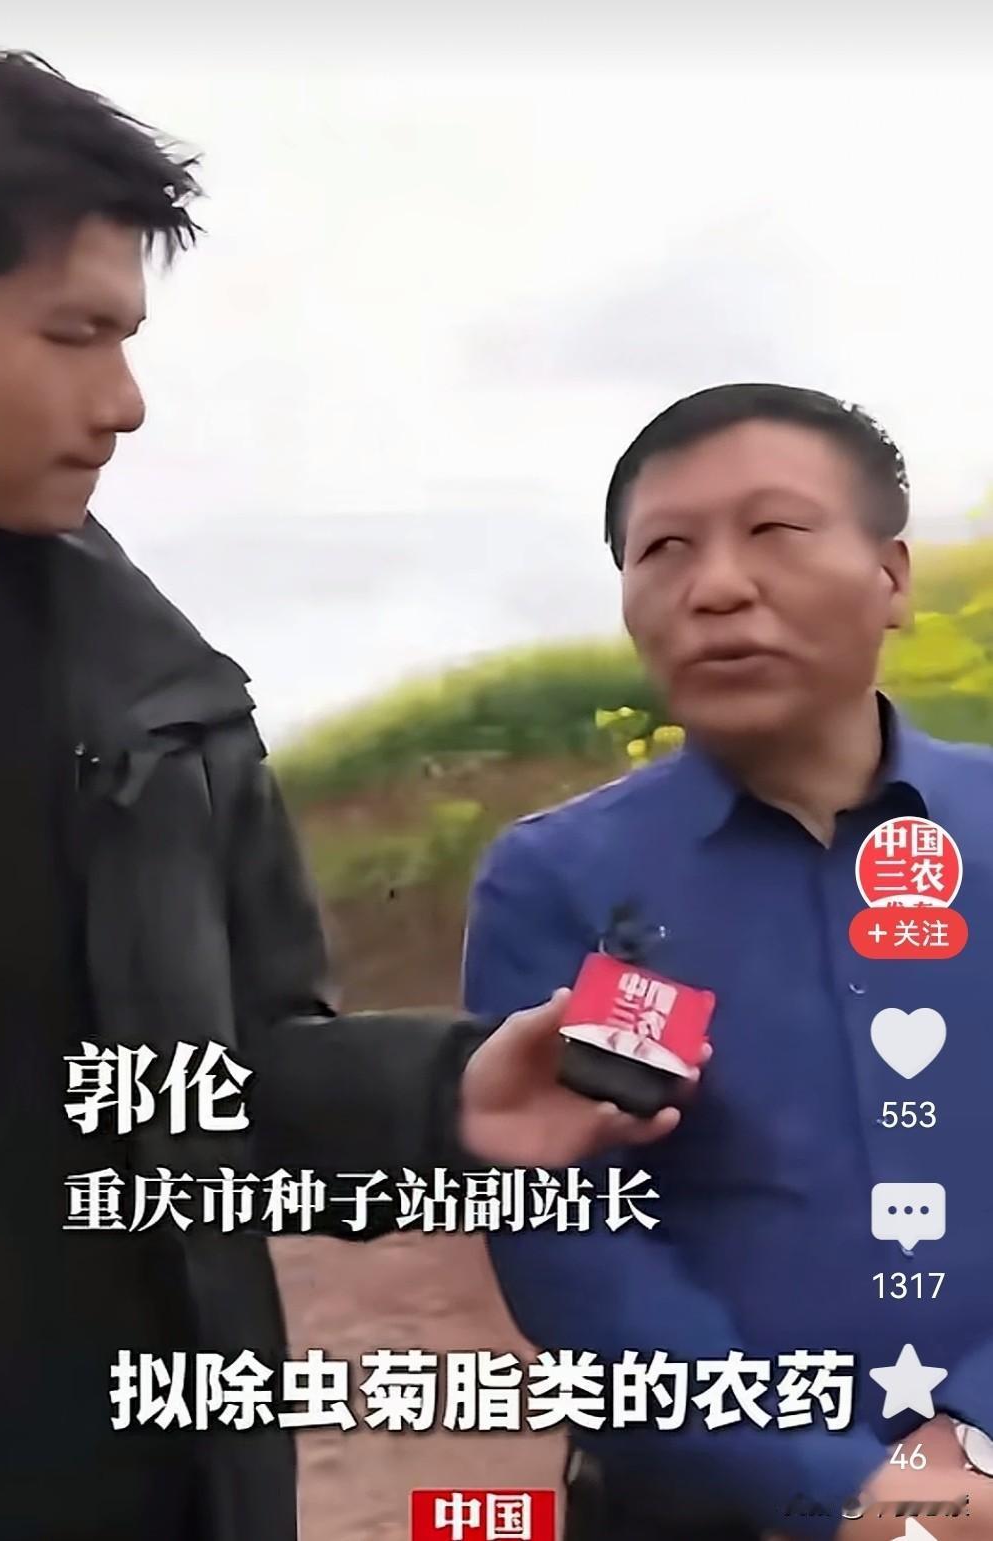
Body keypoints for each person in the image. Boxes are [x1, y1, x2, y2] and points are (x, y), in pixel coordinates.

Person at [0, 51, 693, 1541]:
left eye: (128, 339)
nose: (126, 403)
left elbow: (218, 1084)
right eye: (74, 334)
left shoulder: (157, 706)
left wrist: (448, 1094)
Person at [463, 383, 993, 1540]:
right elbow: (566, 1233)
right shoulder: (570, 881)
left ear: (892, 576)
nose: (715, 586)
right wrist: (831, 1488)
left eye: (775, 530)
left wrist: (969, 1440)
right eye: (663, 550)